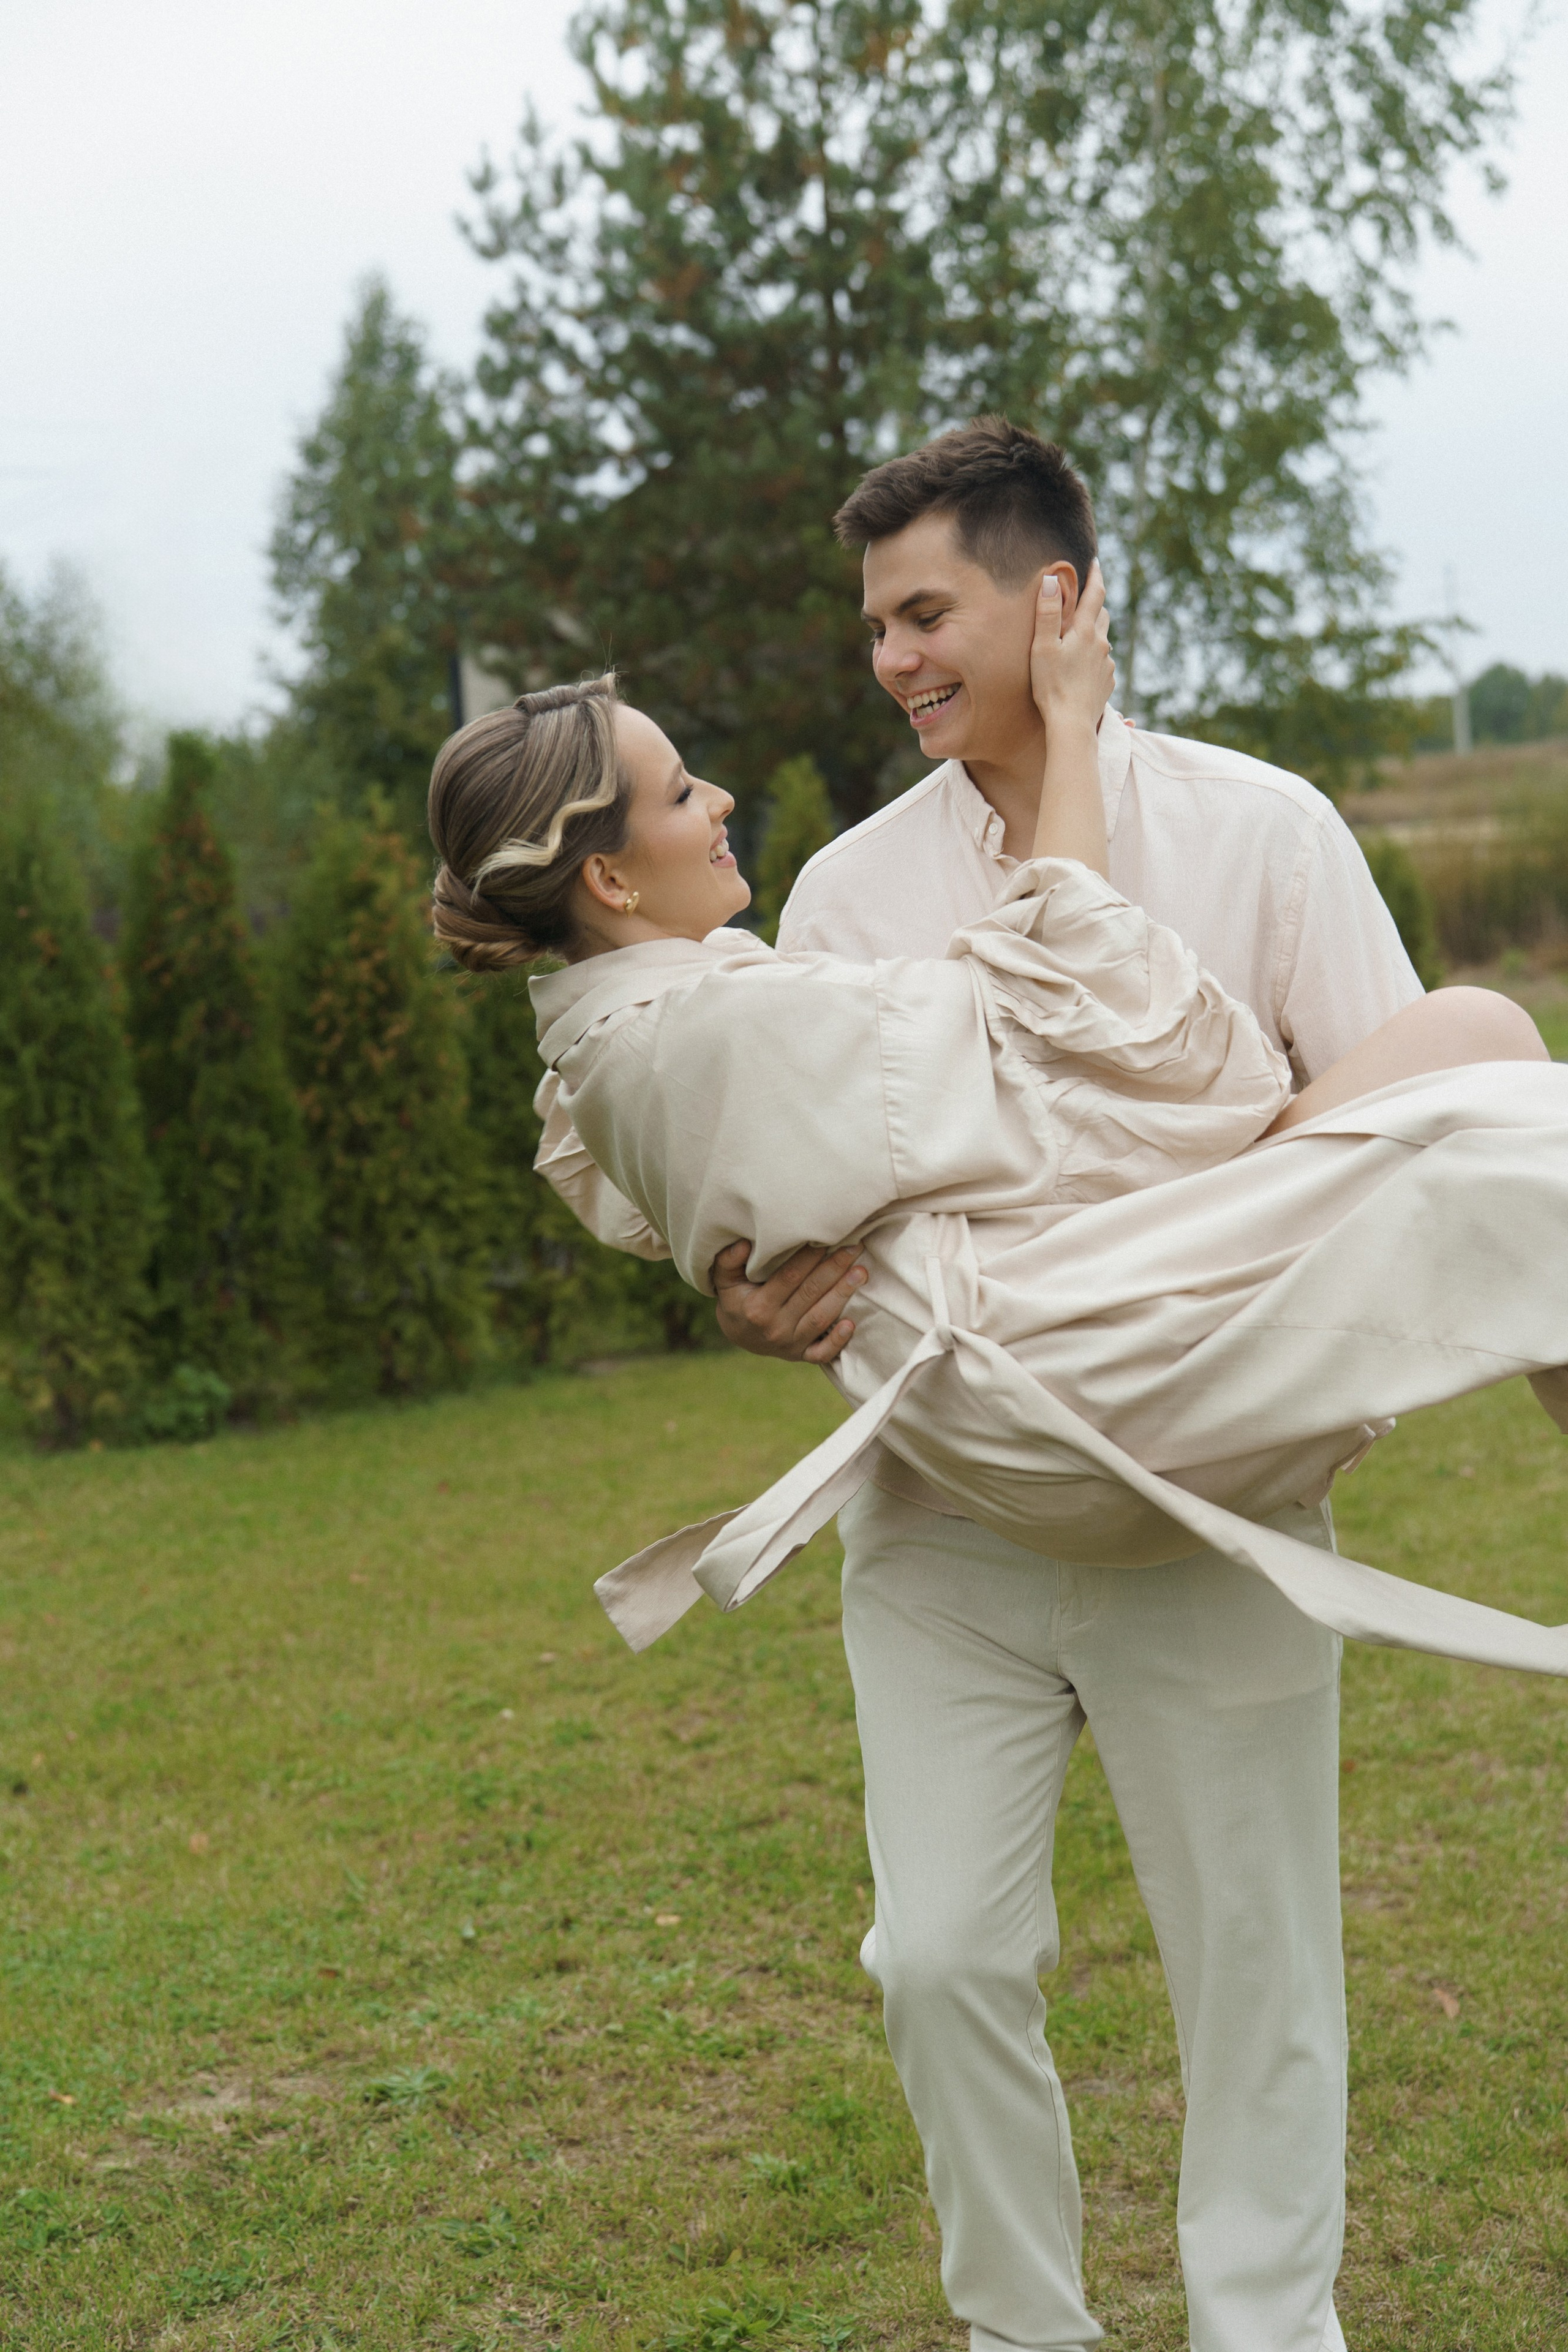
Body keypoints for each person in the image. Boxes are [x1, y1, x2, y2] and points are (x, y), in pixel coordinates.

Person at [427, 432, 1564, 2352]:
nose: (892, 660)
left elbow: (1387, 1159)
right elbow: (738, 1148)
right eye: (876, 625)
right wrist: (741, 1294)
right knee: (938, 1957)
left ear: (1058, 604)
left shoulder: (1265, 830)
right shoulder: (849, 888)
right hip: (946, 1517)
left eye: (926, 614)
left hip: (1204, 1495)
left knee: (1259, 1979)